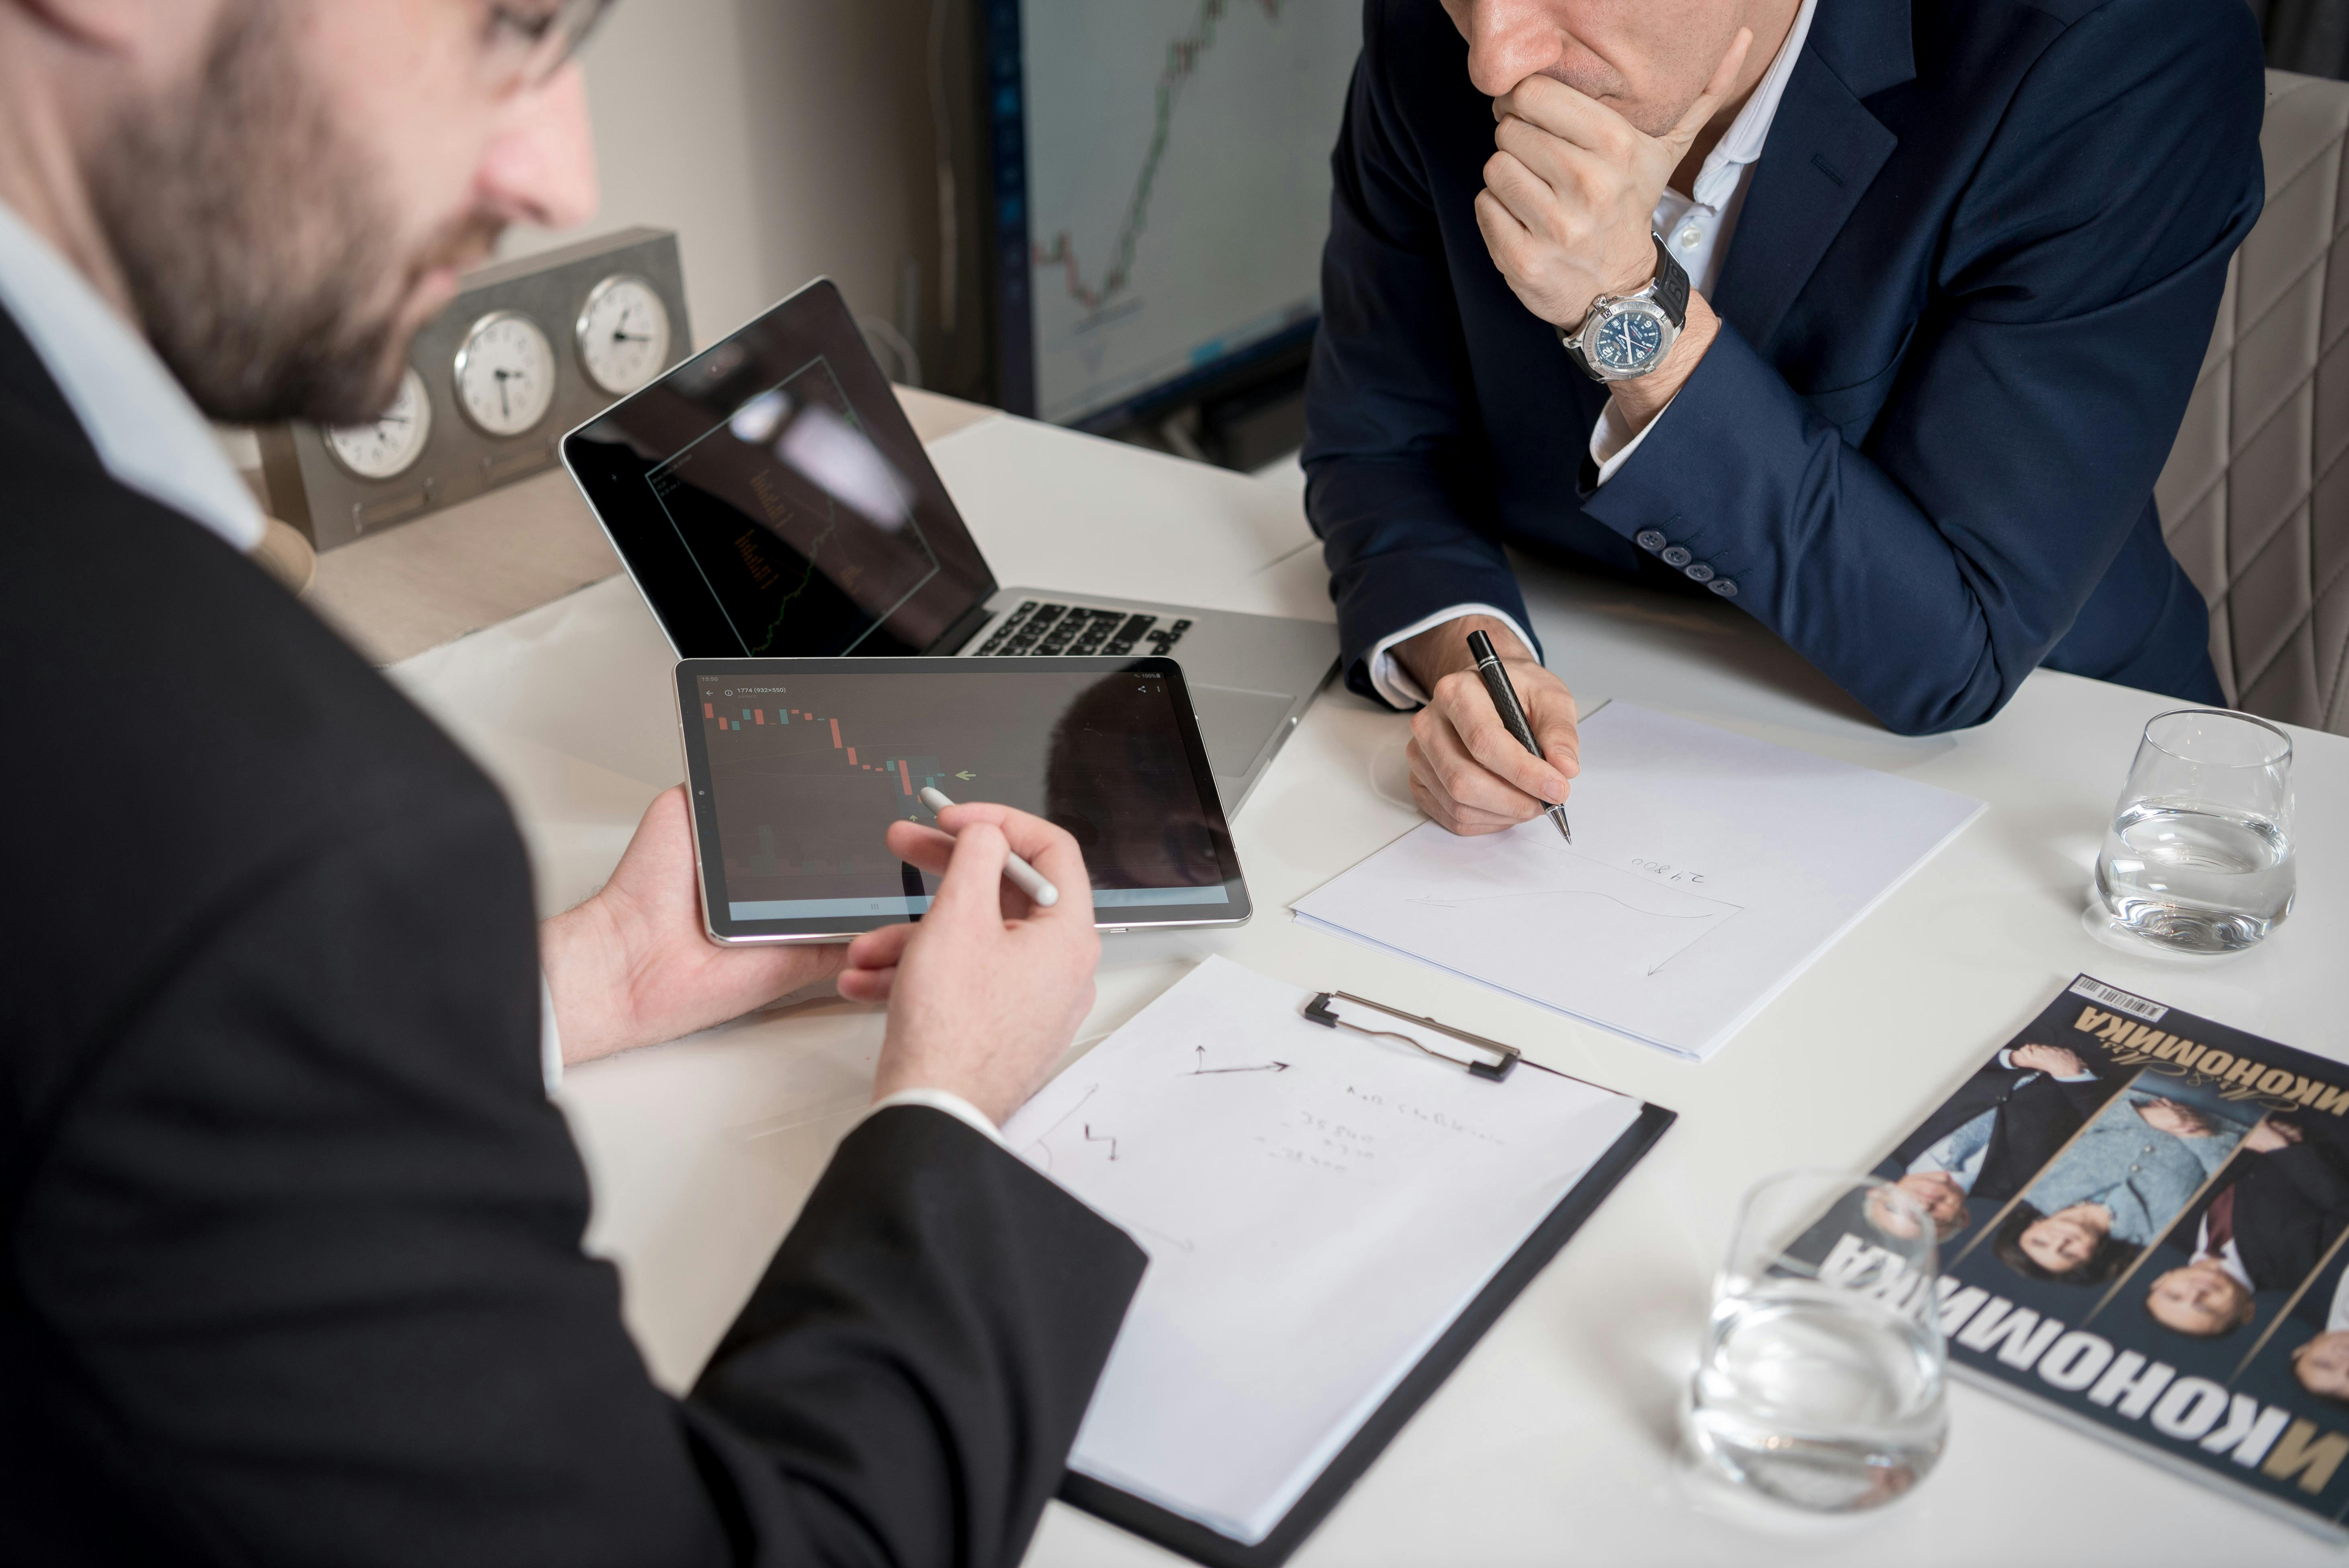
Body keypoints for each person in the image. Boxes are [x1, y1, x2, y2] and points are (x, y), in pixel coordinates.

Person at [0, 3, 1142, 1564]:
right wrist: (948, 1102)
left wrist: (585, 979)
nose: (562, 170)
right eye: (510, 27)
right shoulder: (268, 836)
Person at [1303, 0, 2265, 836]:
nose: (1493, 59)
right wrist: (1473, 658)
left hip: (2038, 770)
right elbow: (1380, 439)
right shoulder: (1443, 31)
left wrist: (1627, 308)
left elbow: (1955, 651)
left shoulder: (2118, 56)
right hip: (1615, 726)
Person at [1991, 1093, 2244, 1285]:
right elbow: (2227, 1181)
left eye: (2040, 1241)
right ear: (2092, 1257)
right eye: (2068, 1254)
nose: (2060, 1241)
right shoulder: (2160, 1232)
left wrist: (2145, 1116)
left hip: (2143, 1088)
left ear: (2031, 1225)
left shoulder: (2035, 1185)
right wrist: (2197, 1134)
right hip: (2233, 1115)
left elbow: (2073, 1118)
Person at [1867, 1043, 2113, 1239]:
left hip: (2023, 1025)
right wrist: (2074, 1077)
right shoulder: (2033, 1187)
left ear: (1880, 1191)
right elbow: (2113, 1133)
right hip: (2112, 1058)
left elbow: (1922, 1054)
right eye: (1934, 1221)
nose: (1922, 1207)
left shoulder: (1890, 1128)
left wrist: (2014, 1058)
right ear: (1962, 1219)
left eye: (1898, 1209)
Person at [2143, 1118, 2349, 1338]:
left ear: (2162, 1280)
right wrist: (2277, 1147)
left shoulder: (2165, 1226)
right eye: (2206, 1308)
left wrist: (2249, 1139)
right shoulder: (2304, 1274)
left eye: (2174, 1296)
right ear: (2247, 1312)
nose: (2196, 1294)